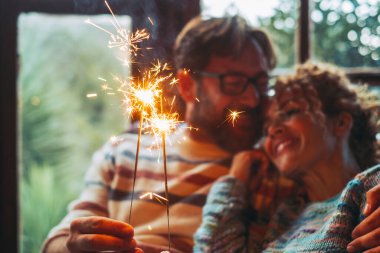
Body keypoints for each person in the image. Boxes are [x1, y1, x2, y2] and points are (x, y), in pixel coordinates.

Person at [42, 16, 380, 253]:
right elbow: (59, 239)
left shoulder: (273, 167)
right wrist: (77, 243)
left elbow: (342, 194)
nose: (252, 99)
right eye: (234, 83)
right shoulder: (123, 151)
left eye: (261, 83)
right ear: (188, 85)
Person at [194, 61, 380, 252]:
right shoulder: (281, 220)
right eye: (266, 129)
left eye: (291, 112)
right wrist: (233, 182)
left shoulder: (373, 188)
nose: (273, 130)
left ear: (340, 123)